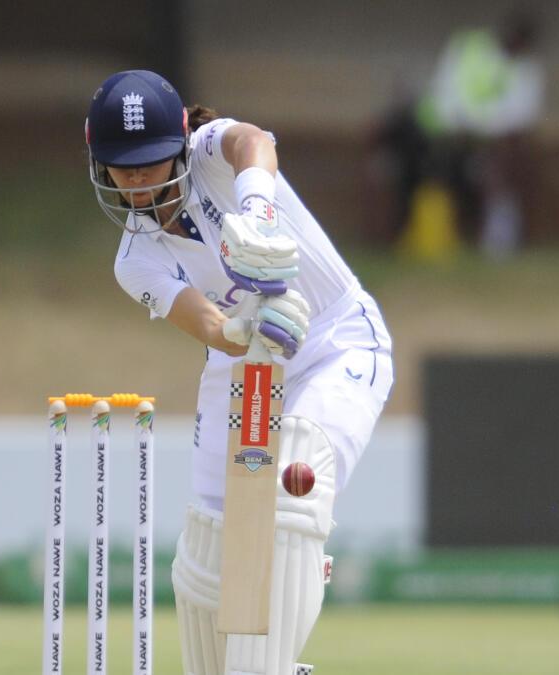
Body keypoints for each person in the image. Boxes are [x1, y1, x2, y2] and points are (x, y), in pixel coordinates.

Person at [84, 70, 393, 675]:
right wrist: (242, 329)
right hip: (241, 364)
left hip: (338, 340)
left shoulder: (211, 155)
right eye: (126, 167)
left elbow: (253, 141)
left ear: (179, 143)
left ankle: (276, 668)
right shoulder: (136, 259)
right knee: (208, 541)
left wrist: (256, 209)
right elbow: (205, 326)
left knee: (294, 479)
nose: (142, 179)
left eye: (152, 161)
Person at [374, 10, 544, 258]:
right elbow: (444, 91)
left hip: (481, 142)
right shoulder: (470, 46)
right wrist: (459, 125)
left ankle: (495, 238)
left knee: (497, 164)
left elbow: (518, 122)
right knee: (395, 141)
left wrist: (477, 132)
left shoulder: (527, 71)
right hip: (437, 130)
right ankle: (396, 233)